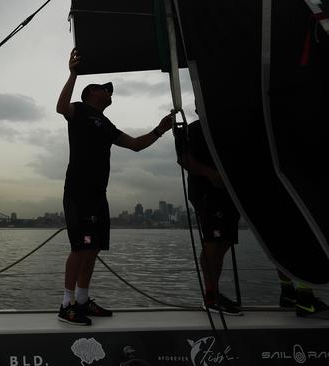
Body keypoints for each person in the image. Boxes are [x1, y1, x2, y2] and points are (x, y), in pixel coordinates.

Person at [55, 48, 174, 325]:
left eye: (111, 90)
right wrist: (72, 73)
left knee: (93, 247)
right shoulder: (80, 111)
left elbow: (134, 145)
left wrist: (159, 130)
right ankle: (66, 304)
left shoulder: (107, 124)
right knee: (80, 247)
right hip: (79, 191)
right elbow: (61, 107)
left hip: (98, 193)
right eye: (104, 89)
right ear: (90, 94)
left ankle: (83, 300)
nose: (110, 92)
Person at [174, 111, 242, 316]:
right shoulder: (193, 129)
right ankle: (211, 297)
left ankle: (214, 293)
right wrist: (210, 174)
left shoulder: (229, 129)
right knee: (213, 241)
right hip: (206, 192)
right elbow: (183, 159)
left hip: (229, 193)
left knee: (224, 242)